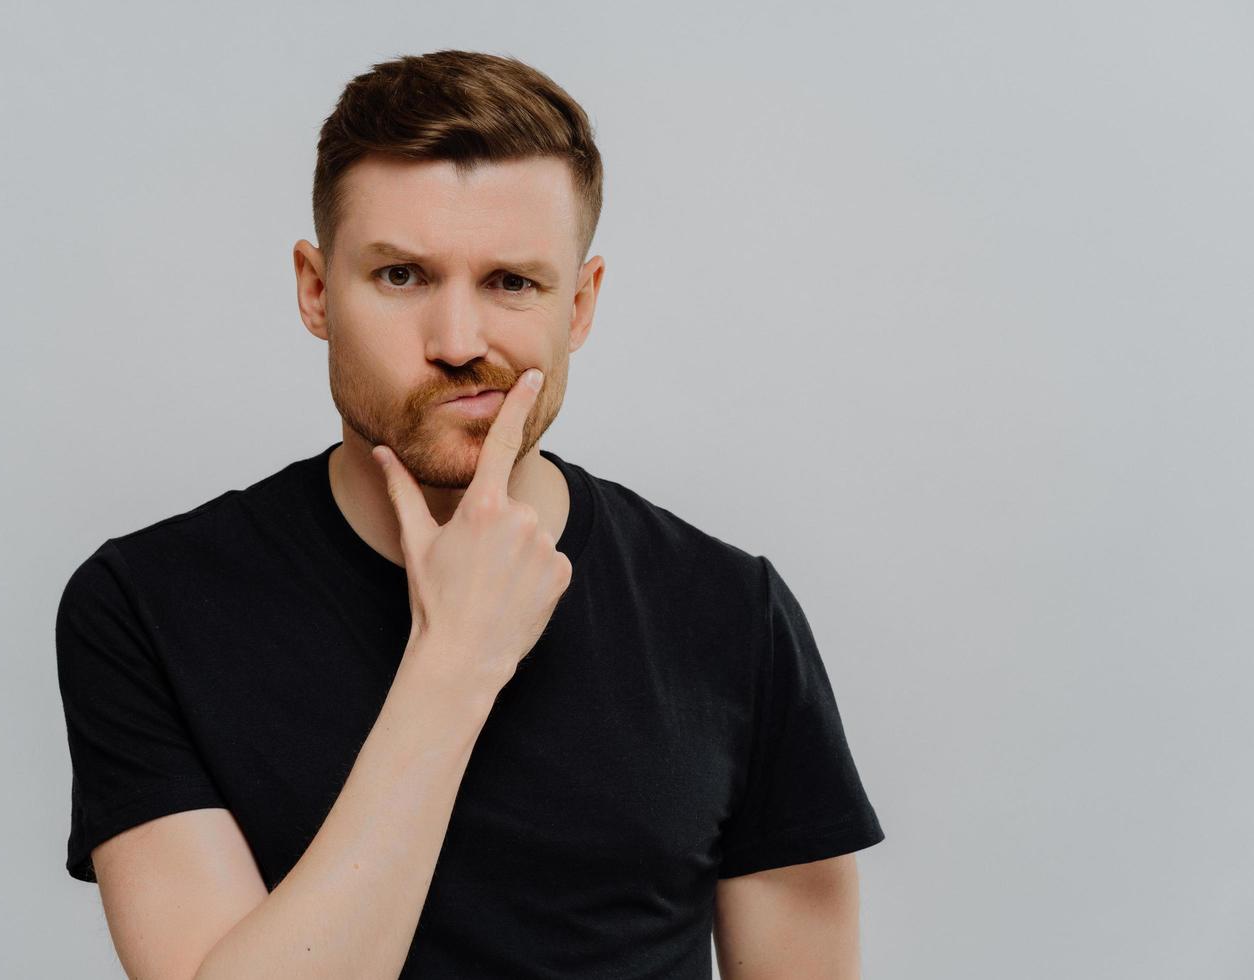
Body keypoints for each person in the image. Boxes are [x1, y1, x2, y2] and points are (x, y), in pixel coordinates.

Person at [55, 48, 885, 979]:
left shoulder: (731, 612)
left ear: (580, 305)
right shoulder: (147, 607)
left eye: (512, 283)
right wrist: (453, 666)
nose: (458, 343)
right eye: (402, 275)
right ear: (316, 290)